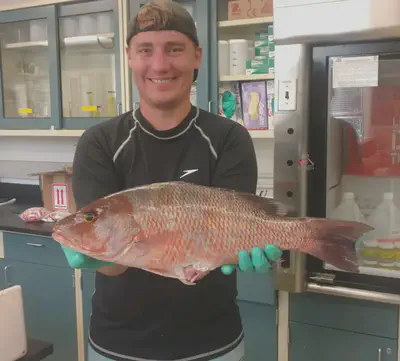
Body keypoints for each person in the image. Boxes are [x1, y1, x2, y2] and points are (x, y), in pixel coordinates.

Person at [61, 1, 283, 360]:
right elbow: (115, 260)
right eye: (145, 50)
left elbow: (239, 226)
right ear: (130, 58)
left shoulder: (229, 138)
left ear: (196, 57)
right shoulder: (100, 142)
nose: (160, 65)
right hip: (118, 346)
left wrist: (259, 242)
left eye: (174, 49)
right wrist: (93, 253)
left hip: (213, 344)